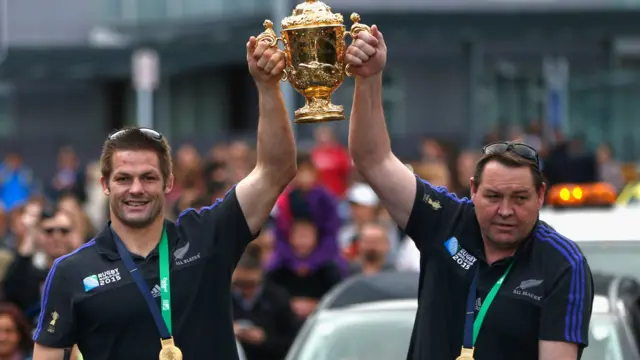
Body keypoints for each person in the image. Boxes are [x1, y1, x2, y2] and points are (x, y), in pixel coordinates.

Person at [31, 34, 296, 360]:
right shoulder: (72, 271)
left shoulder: (207, 236)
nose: (136, 189)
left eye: (149, 177)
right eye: (124, 178)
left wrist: (268, 88)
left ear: (169, 182)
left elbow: (276, 170)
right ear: (105, 185)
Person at [345, 26, 594, 360]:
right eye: (493, 197)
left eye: (520, 198)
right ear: (474, 191)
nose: (505, 210)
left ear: (541, 196)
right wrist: (369, 79)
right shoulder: (444, 220)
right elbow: (372, 160)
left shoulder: (563, 263)